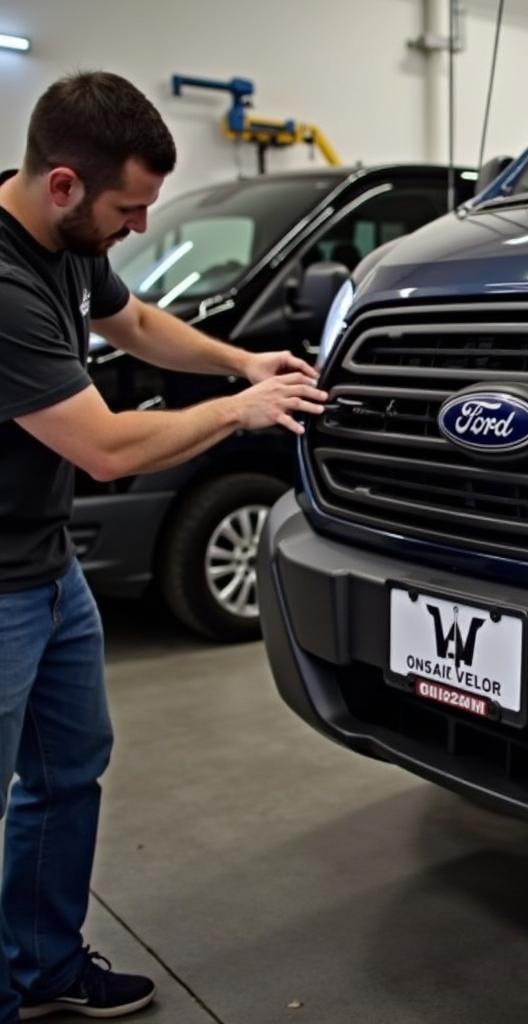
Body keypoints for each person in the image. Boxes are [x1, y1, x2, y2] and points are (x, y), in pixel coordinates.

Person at [0, 72, 327, 1021]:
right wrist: (240, 411)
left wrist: (238, 360)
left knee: (68, 771)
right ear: (64, 185)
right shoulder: (5, 285)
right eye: (127, 208)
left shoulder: (62, 240)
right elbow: (103, 447)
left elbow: (133, 322)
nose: (138, 227)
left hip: (46, 569)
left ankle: (41, 968)